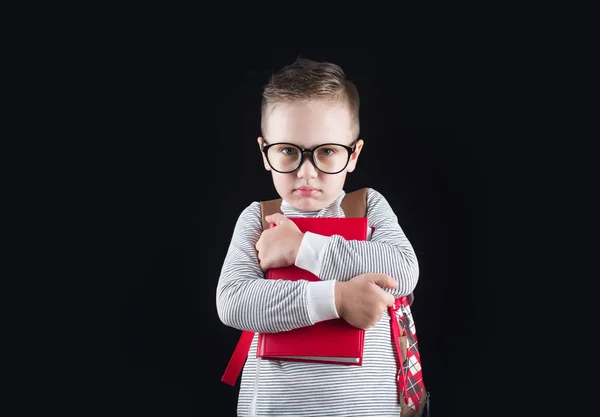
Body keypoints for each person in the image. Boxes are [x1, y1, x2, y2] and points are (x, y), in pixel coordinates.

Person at [216, 57, 421, 416]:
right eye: (288, 151)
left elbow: (402, 271)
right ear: (265, 153)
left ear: (353, 154)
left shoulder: (368, 205)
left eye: (326, 152)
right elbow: (233, 301)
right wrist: (336, 298)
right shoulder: (258, 217)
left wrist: (302, 249)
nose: (306, 173)